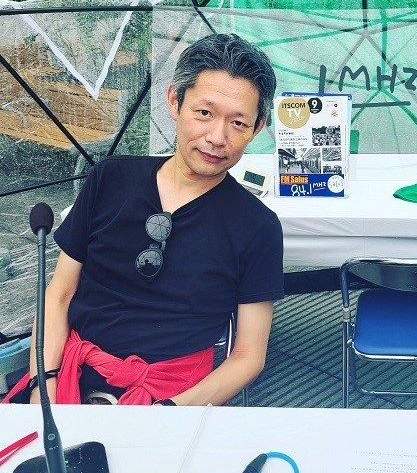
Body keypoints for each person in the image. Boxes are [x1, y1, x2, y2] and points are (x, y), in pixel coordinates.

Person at [4, 33, 283, 406]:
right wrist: (44, 385)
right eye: (204, 113)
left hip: (174, 395)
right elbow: (59, 294)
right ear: (174, 101)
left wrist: (169, 413)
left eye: (238, 123)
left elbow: (249, 355)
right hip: (71, 374)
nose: (217, 137)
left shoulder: (258, 226)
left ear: (258, 127)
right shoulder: (110, 179)